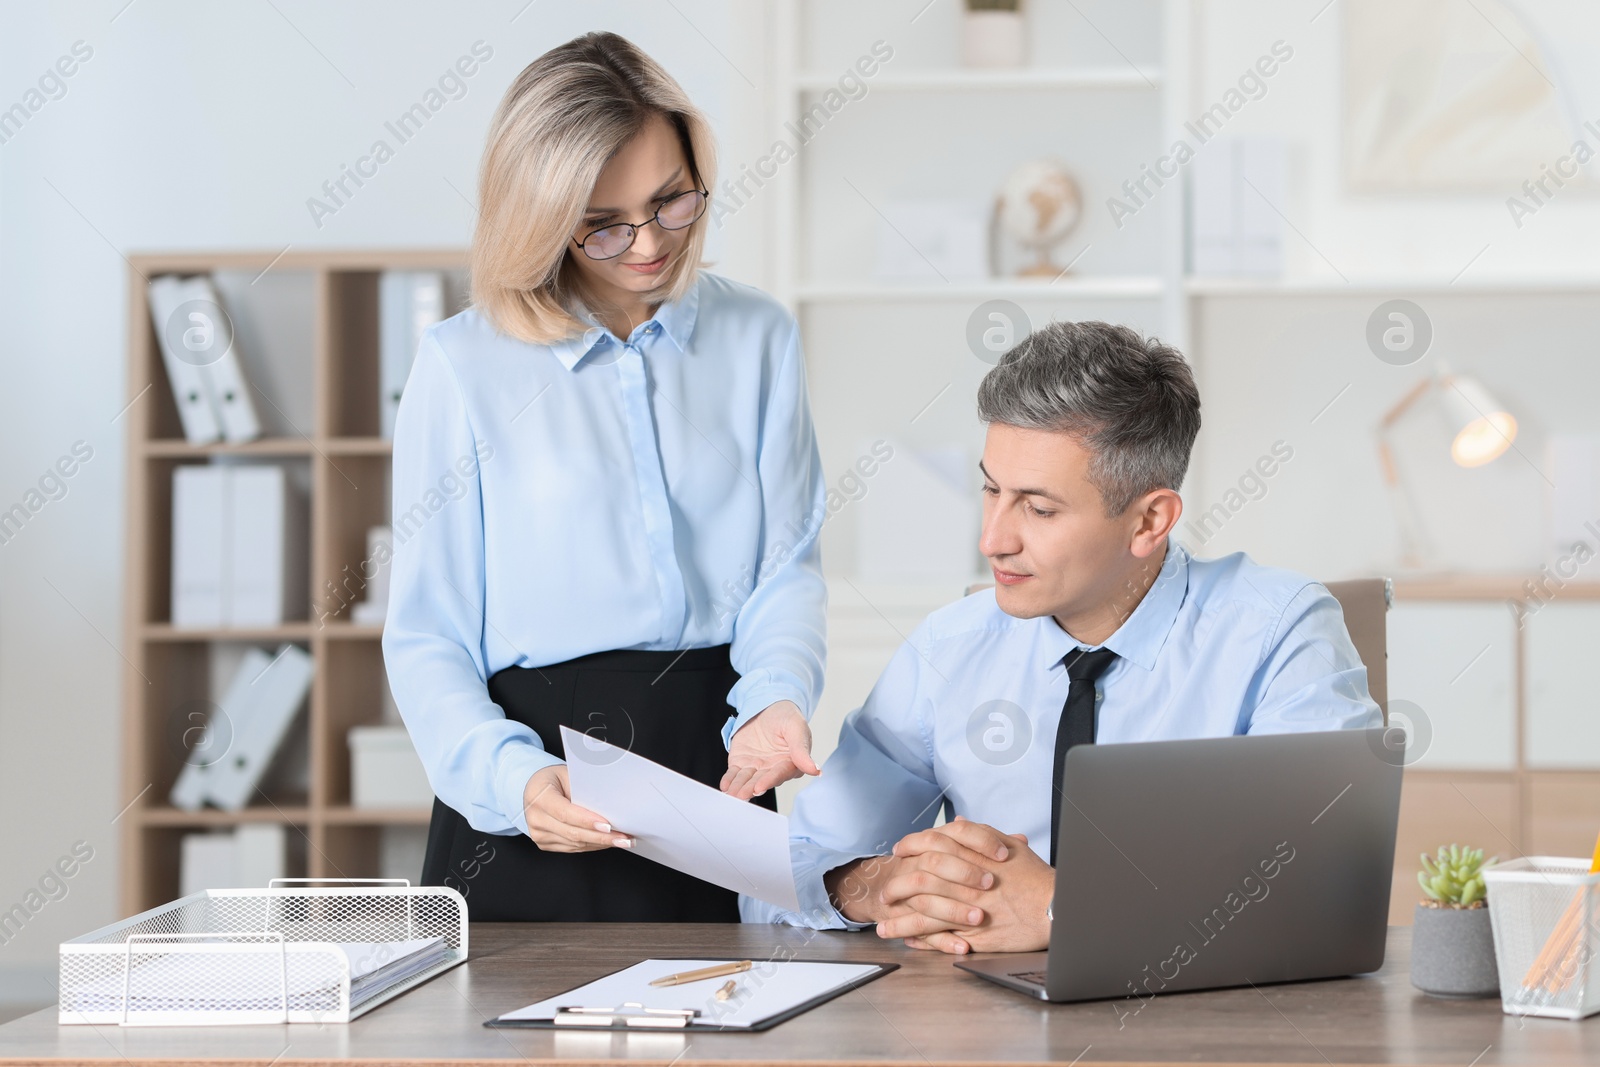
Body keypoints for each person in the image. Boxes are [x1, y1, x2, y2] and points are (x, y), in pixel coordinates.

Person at [742, 320, 1381, 951]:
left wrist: (1061, 910)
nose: (992, 539)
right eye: (991, 490)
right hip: (984, 1029)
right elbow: (779, 872)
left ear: (1149, 520)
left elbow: (1327, 882)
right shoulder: (948, 648)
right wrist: (878, 884)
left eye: (1040, 509)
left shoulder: (1278, 629)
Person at [382, 31, 827, 922]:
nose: (648, 244)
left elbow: (786, 568)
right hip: (538, 785)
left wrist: (778, 698)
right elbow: (427, 634)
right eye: (603, 223)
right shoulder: (463, 363)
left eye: (671, 202)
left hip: (715, 772)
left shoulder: (758, 338)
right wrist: (513, 778)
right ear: (543, 218)